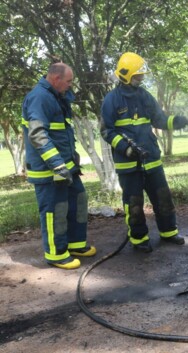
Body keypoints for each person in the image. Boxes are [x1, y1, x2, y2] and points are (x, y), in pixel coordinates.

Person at [100, 52, 188, 253]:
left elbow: (159, 120)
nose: (141, 79)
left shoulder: (144, 96)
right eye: (137, 75)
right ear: (125, 75)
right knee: (134, 204)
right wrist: (125, 148)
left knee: (163, 198)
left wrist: (179, 122)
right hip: (128, 165)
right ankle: (139, 238)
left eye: (142, 75)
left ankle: (169, 232)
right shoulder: (111, 100)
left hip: (151, 160)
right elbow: (106, 130)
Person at [22, 62, 96, 270]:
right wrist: (57, 164)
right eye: (69, 81)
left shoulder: (56, 97)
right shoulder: (40, 98)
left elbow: (61, 132)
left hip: (66, 166)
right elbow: (37, 134)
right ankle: (56, 254)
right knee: (55, 210)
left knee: (78, 199)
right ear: (55, 79)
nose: (71, 85)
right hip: (49, 169)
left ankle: (76, 244)